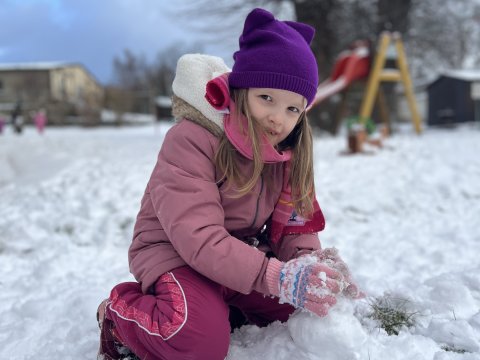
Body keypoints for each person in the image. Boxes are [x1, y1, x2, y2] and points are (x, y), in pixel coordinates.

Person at [97, 8, 362, 360]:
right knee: (199, 344)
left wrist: (309, 267)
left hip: (237, 257)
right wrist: (276, 277)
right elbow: (198, 237)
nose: (276, 118)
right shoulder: (192, 139)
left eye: (292, 109)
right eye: (266, 98)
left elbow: (294, 229)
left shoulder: (288, 153)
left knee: (302, 310)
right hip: (177, 255)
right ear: (241, 91)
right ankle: (118, 314)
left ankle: (220, 305)